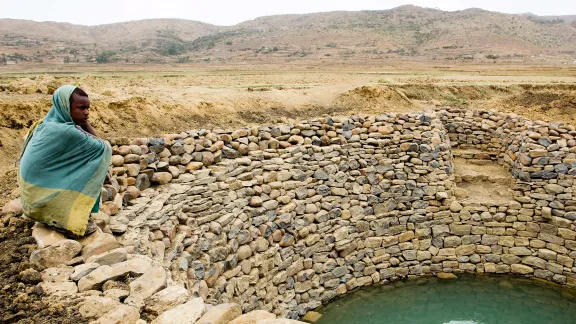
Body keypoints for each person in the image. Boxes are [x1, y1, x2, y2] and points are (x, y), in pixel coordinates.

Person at [18, 85, 112, 237]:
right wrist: (83, 123)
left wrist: (79, 120)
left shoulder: (47, 123)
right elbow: (104, 147)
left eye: (88, 108)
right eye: (81, 108)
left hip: (30, 198)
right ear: (65, 107)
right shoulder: (66, 131)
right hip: (40, 202)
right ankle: (57, 216)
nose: (86, 112)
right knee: (86, 229)